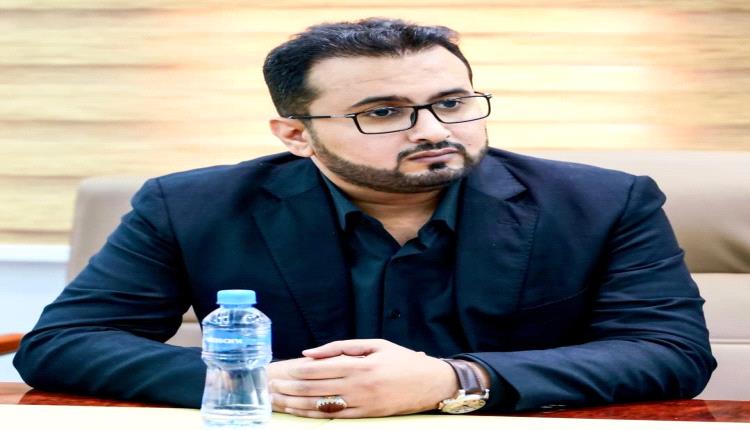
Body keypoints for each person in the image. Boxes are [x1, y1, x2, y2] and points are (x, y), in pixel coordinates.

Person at [15, 18, 715, 417]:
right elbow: (64, 343)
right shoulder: (192, 206)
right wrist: (252, 382)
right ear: (296, 135)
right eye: (382, 112)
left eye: (452, 102)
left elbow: (670, 353)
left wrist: (457, 379)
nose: (434, 129)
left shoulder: (603, 203)